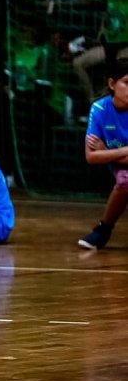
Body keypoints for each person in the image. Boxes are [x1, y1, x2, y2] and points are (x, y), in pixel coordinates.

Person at [77, 58, 128, 250]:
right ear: (112, 84)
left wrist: (107, 152)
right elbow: (91, 157)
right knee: (125, 180)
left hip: (113, 158)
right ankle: (103, 230)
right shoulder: (99, 109)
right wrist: (124, 151)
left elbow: (100, 155)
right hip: (120, 165)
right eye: (127, 83)